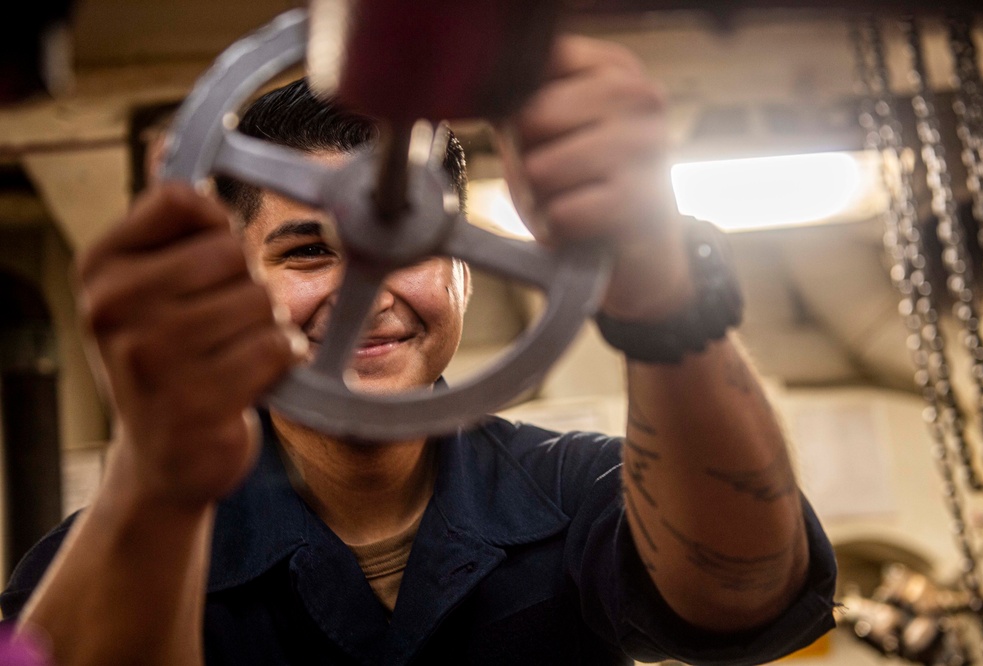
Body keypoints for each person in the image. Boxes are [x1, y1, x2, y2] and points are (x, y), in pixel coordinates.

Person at [0, 35, 837, 665]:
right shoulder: (118, 548)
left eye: (407, 241)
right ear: (234, 275)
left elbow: (747, 593)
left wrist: (665, 299)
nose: (369, 285)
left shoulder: (575, 493)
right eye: (305, 252)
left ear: (468, 270)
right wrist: (158, 476)